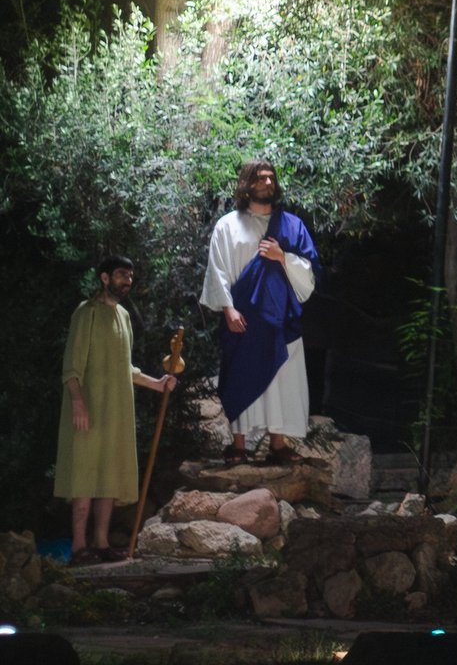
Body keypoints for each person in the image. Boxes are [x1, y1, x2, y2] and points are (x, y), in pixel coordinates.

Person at [56, 255, 177, 565]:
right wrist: (78, 402)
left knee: (108, 476)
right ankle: (80, 546)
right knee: (84, 477)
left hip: (115, 413)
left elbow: (127, 369)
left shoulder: (123, 316)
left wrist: (158, 383)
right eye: (122, 275)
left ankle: (101, 542)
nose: (128, 281)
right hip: (87, 411)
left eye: (131, 276)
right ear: (105, 278)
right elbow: (72, 367)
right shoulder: (86, 314)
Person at [198, 160, 318, 465]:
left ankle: (278, 445)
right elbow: (218, 269)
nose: (267, 182)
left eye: (271, 178)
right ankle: (238, 445)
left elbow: (309, 271)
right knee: (241, 375)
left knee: (280, 378)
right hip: (243, 317)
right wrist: (228, 309)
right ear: (246, 184)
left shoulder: (291, 225)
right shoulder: (228, 225)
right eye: (260, 178)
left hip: (280, 318)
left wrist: (282, 257)